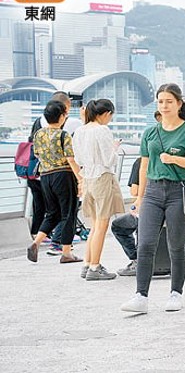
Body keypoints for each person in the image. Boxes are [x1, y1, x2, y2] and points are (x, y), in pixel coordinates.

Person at [120, 84, 185, 314]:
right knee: (145, 244)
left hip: (179, 191)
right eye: (160, 101)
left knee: (176, 246)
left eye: (169, 101)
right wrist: (140, 197)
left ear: (179, 104)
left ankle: (176, 293)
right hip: (153, 192)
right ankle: (140, 296)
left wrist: (174, 160)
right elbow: (144, 165)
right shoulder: (150, 133)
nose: (164, 106)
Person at [111, 157, 185, 275]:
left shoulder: (141, 162)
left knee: (117, 226)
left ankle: (136, 259)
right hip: (177, 209)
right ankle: (181, 260)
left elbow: (134, 191)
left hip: (149, 210)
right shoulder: (179, 160)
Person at [73, 99, 125, 281]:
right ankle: (95, 267)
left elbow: (78, 158)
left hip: (87, 178)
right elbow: (109, 159)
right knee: (102, 226)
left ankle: (87, 264)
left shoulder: (80, 131)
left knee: (94, 225)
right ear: (105, 114)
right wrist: (115, 148)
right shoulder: (102, 130)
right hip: (102, 178)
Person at [26, 100, 83, 264]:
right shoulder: (63, 135)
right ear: (62, 117)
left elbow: (37, 154)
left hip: (45, 177)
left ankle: (36, 242)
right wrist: (80, 178)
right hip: (63, 175)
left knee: (53, 213)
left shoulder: (39, 134)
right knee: (68, 213)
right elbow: (70, 159)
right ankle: (66, 253)